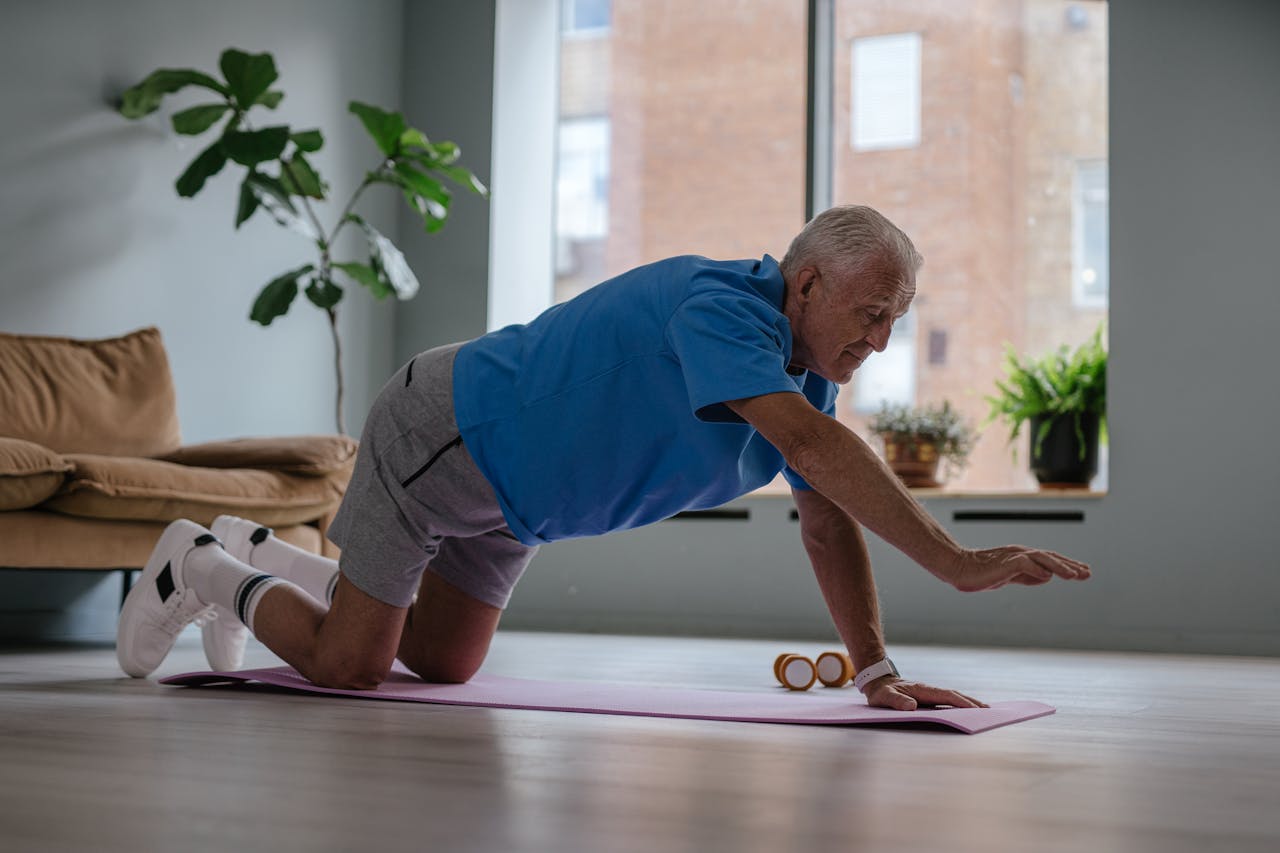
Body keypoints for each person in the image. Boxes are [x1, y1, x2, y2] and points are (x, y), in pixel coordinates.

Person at [116, 204, 1090, 711]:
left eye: (897, 321)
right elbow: (808, 449)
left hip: (510, 508)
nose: (880, 339)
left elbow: (825, 516)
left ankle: (254, 548)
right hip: (446, 435)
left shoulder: (807, 380)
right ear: (805, 285)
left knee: (442, 664)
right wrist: (956, 562)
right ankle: (198, 565)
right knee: (349, 666)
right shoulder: (724, 309)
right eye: (870, 313)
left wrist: (874, 670)